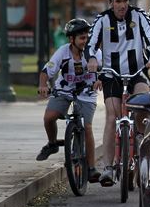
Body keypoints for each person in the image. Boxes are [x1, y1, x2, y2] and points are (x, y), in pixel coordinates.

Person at [84, 0, 150, 186]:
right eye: (118, 1)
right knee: (112, 118)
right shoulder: (102, 20)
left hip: (136, 72)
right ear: (110, 2)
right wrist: (92, 60)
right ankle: (109, 169)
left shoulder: (139, 16)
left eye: (126, 1)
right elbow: (90, 45)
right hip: (112, 75)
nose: (123, 5)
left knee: (144, 110)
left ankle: (143, 154)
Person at [36, 19, 103, 183]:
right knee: (49, 117)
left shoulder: (94, 53)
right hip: (64, 90)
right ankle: (52, 143)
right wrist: (43, 85)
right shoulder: (63, 52)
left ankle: (92, 168)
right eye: (81, 38)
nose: (85, 41)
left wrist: (100, 79)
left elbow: (105, 69)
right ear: (71, 39)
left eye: (87, 37)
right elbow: (46, 71)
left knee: (87, 127)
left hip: (87, 93)